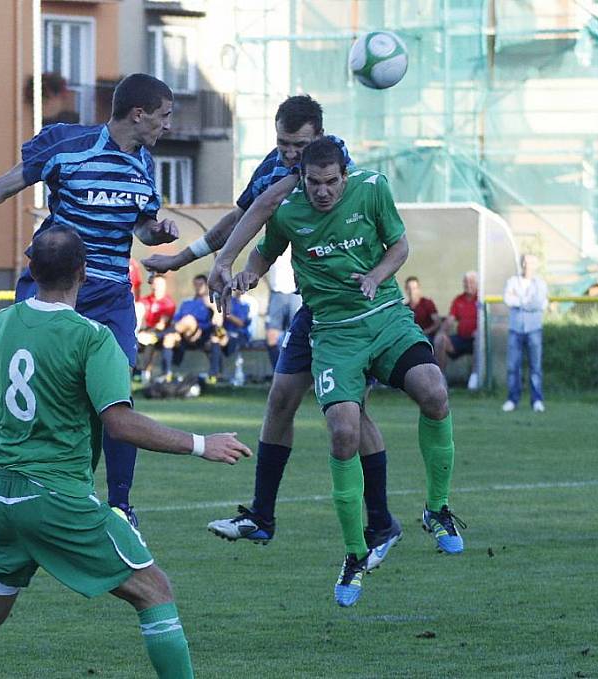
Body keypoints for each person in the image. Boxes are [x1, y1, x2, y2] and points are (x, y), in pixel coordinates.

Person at [0, 227, 251, 679]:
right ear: (84, 273)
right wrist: (201, 444)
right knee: (154, 591)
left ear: (30, 270)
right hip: (54, 497)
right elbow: (120, 422)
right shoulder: (93, 337)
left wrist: (30, 415)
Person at [0, 73, 178, 535]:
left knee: (115, 399)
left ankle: (119, 507)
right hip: (51, 286)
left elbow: (142, 226)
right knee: (5, 393)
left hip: (111, 293)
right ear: (139, 114)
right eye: (165, 116)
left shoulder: (144, 163)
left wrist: (159, 233)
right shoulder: (67, 145)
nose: (168, 126)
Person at [145, 95, 401, 568]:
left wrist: (224, 263)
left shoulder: (327, 166)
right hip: (313, 311)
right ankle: (262, 515)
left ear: (321, 140)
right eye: (282, 143)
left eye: (298, 145)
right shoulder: (279, 160)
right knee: (280, 400)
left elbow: (266, 205)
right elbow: (242, 217)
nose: (289, 155)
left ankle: (382, 522)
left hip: (353, 311)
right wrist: (186, 260)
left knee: (353, 414)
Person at [227, 139, 464, 607]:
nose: (322, 192)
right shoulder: (288, 209)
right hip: (335, 334)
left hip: (386, 318)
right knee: (343, 433)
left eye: (331, 181)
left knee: (434, 391)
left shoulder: (373, 189)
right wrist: (247, 274)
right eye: (314, 182)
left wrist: (376, 275)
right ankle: (355, 554)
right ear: (304, 178)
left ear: (345, 174)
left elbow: (399, 244)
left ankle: (437, 508)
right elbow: (264, 253)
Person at [502, 254, 547, 413]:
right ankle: (512, 399)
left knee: (535, 366)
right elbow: (507, 299)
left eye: (532, 263)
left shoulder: (540, 283)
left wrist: (519, 300)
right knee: (513, 366)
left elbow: (539, 302)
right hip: (516, 329)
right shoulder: (512, 281)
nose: (528, 266)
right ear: (522, 264)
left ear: (536, 265)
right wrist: (527, 301)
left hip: (534, 329)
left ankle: (537, 400)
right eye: (526, 263)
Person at [161, 274, 219, 382]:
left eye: (201, 284)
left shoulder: (212, 301)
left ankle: (214, 375)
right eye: (196, 284)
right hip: (183, 335)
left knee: (189, 319)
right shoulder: (186, 302)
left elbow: (218, 323)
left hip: (202, 335)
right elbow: (175, 321)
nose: (198, 287)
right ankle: (166, 374)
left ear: (207, 286)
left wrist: (213, 308)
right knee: (169, 338)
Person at [434, 271, 478, 384]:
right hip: (461, 338)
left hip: (476, 340)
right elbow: (450, 320)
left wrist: (480, 332)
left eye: (471, 282)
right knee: (440, 340)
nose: (468, 285)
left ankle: (475, 379)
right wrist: (441, 332)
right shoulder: (458, 299)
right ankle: (441, 378)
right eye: (466, 282)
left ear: (477, 283)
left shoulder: (481, 299)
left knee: (478, 341)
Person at [264, 248, 302, 370]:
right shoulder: (272, 238)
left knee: (298, 335)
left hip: (296, 293)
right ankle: (278, 372)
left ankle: (297, 372)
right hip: (276, 292)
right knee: (271, 336)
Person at [137, 274, 176, 382]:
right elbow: (138, 313)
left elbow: (161, 325)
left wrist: (146, 333)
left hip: (162, 332)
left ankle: (151, 373)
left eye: (159, 284)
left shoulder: (168, 303)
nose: (156, 286)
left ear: (164, 286)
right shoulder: (146, 300)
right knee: (130, 341)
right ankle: (136, 373)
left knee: (150, 339)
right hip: (146, 331)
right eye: (155, 283)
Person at [208, 290, 251, 382]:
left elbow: (240, 322)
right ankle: (215, 375)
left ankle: (217, 374)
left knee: (218, 340)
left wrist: (225, 313)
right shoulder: (227, 301)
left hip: (240, 336)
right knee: (215, 339)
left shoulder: (246, 303)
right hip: (225, 334)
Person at [405, 276, 441, 341]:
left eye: (414, 288)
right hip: (411, 337)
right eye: (409, 288)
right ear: (406, 290)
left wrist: (424, 332)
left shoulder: (427, 303)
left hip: (427, 336)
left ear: (419, 289)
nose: (411, 291)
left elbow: (437, 323)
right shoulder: (404, 308)